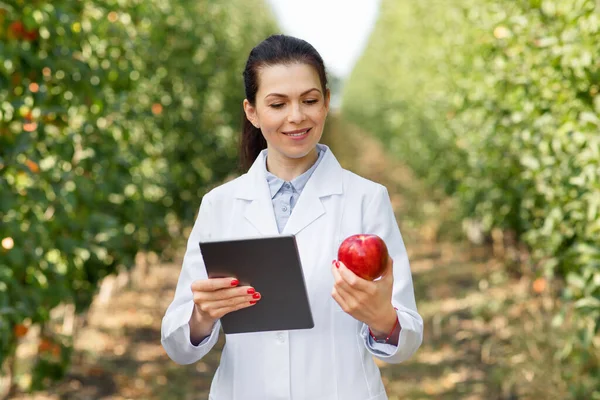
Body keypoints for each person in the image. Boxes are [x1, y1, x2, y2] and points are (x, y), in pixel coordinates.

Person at [161, 34, 423, 400]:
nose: (296, 116)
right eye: (277, 104)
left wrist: (383, 319)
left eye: (310, 100)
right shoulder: (219, 205)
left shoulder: (367, 199)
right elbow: (178, 345)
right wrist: (202, 317)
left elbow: (407, 337)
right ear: (252, 111)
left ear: (327, 102)